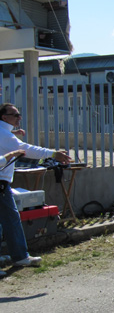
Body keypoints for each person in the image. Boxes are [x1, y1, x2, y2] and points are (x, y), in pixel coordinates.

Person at [0, 103, 72, 271]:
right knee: (11, 220)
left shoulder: (5, 133)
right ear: (4, 117)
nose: (19, 117)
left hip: (3, 183)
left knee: (10, 221)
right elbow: (26, 149)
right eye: (15, 114)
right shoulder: (5, 135)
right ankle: (20, 257)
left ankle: (20, 256)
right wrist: (53, 154)